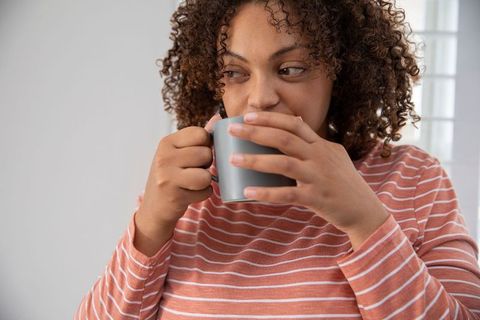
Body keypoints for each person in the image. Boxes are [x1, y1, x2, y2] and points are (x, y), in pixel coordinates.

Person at [75, 0, 480, 319]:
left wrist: (366, 222)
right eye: (235, 72)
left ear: (342, 73)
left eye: (290, 69)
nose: (259, 98)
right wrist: (151, 224)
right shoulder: (187, 192)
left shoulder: (412, 178)